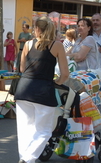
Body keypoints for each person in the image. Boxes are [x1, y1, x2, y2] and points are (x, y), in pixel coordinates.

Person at [14, 16, 69, 163]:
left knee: (25, 130)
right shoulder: (56, 45)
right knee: (44, 130)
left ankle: (25, 158)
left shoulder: (27, 44)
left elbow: (22, 68)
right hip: (44, 90)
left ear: (37, 28)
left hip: (24, 89)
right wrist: (55, 82)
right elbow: (65, 74)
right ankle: (28, 159)